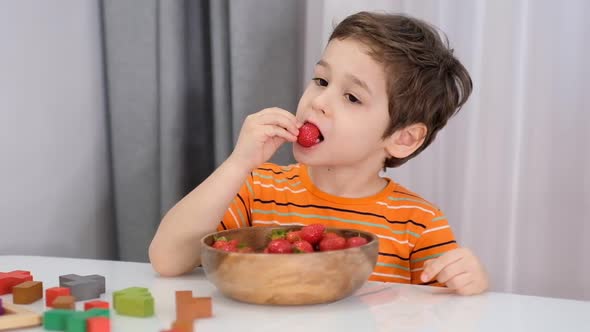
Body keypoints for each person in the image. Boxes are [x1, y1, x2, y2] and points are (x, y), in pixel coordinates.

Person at [149, 12, 489, 295]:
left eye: (352, 97)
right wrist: (239, 163)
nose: (318, 102)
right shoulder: (258, 188)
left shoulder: (418, 223)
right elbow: (167, 260)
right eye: (321, 81)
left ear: (403, 138)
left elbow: (446, 310)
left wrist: (468, 282)